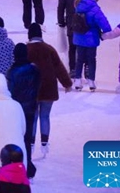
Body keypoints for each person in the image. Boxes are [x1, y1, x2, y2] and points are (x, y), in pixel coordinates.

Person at [25, 24, 72, 159]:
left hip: (31, 90)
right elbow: (59, 68)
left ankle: (31, 144)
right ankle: (45, 144)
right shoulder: (49, 49)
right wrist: (67, 83)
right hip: (48, 88)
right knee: (45, 116)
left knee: (32, 118)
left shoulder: (26, 50)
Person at [6, 44, 41, 179]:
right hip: (31, 108)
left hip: (16, 111)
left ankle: (17, 166)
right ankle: (27, 166)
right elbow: (37, 86)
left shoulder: (12, 72)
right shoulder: (35, 70)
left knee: (16, 138)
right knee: (27, 139)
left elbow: (10, 92)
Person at [72, 0, 112, 91]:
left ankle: (77, 80)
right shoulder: (94, 8)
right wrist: (106, 30)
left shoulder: (78, 4)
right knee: (91, 60)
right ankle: (91, 81)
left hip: (79, 37)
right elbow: (104, 24)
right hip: (91, 39)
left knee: (79, 59)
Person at [57, 0, 84, 78]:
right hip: (83, 24)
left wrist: (60, 22)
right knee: (81, 47)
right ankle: (81, 68)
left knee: (72, 47)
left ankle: (72, 69)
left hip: (71, 23)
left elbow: (60, 9)